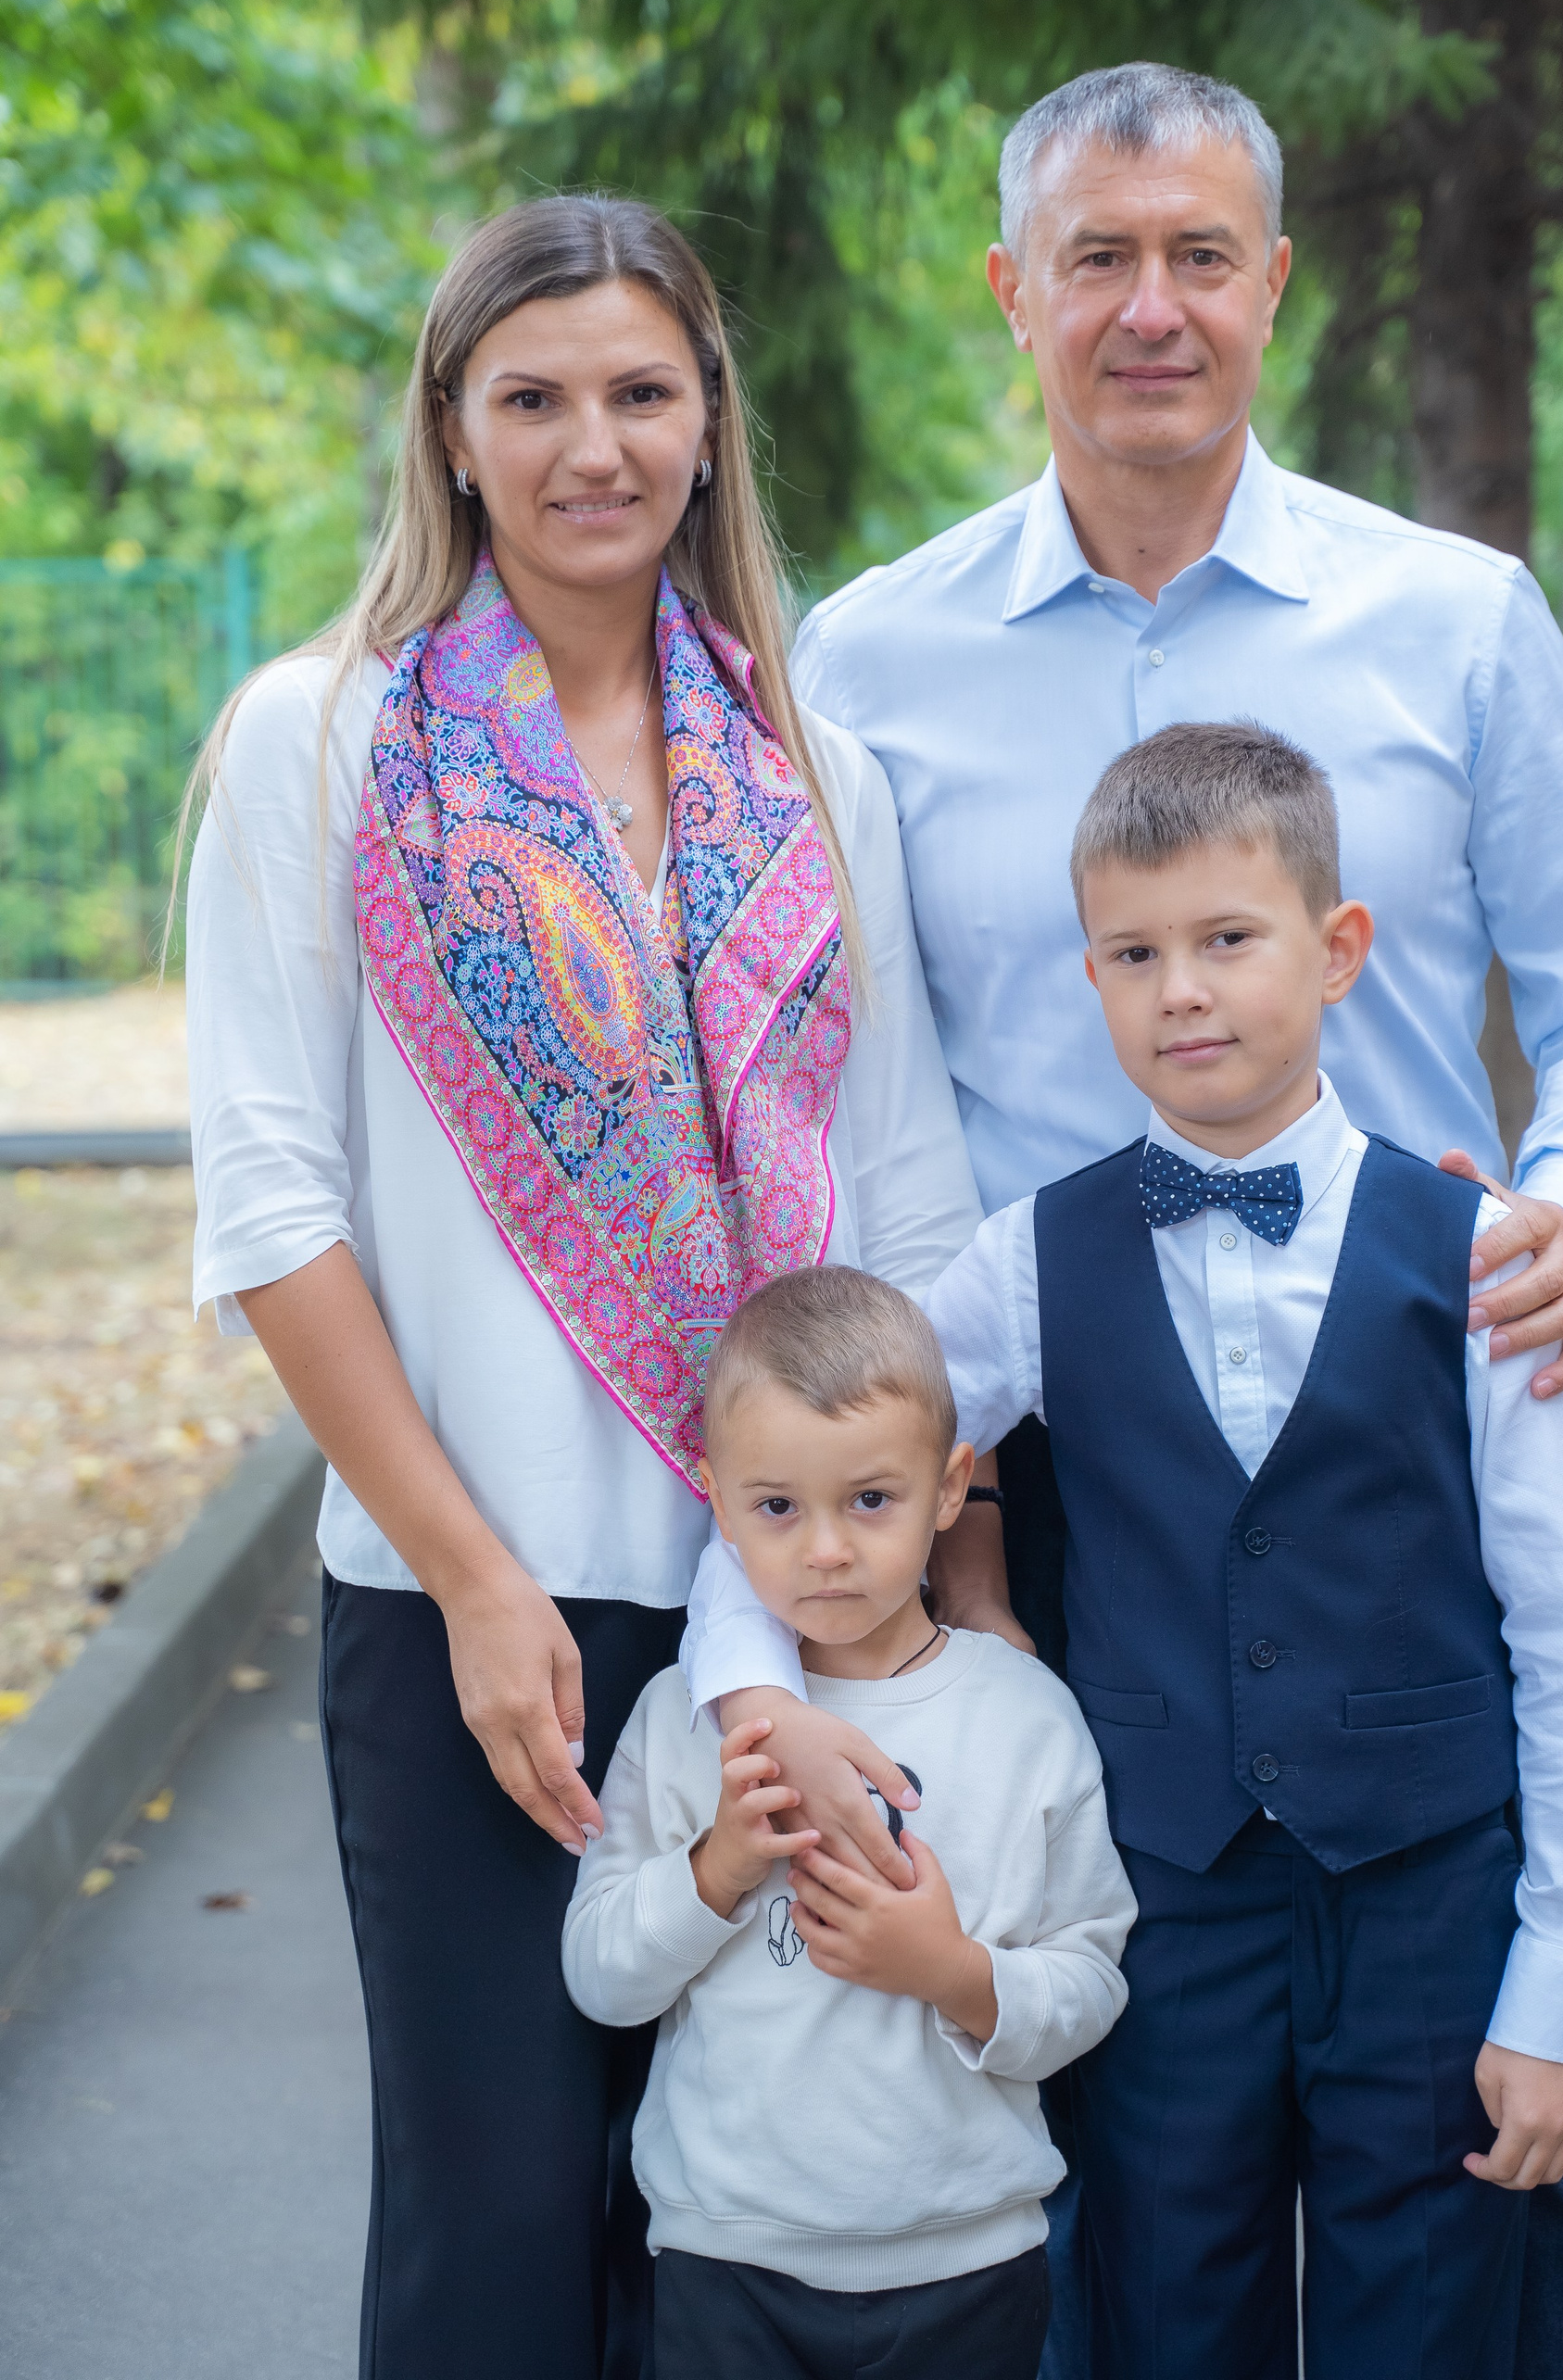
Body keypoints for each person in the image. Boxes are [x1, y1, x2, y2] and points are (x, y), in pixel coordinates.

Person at [682, 65, 1563, 2378]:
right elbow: (812, 1073)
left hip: (1413, 1423)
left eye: (1202, 256)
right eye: (1100, 258)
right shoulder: (868, 660)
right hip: (1046, 1466)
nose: (1152, 306)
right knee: (1133, 2137)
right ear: (1013, 290)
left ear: (1273, 283)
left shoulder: (1452, 617)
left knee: (1510, 2159)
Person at [183, 195, 981, 2379]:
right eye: (532, 398)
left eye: (641, 392)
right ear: (452, 430)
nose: (593, 446)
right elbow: (271, 1200)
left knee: (737, 2219)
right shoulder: (325, 740)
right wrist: (468, 1579)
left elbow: (907, 1198)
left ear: (710, 421)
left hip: (786, 1607)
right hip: (473, 1609)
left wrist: (942, 1590)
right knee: (503, 2210)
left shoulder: (815, 773)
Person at [924, 723, 1563, 2376]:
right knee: (1166, 2319)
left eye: (1228, 939)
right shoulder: (1027, 1260)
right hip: (1165, 1912)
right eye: (1134, 955)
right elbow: (845, 1456)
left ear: (1337, 952)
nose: (1182, 991)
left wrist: (1556, 1998)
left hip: (1430, 1908)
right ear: (1092, 979)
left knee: (1429, 2328)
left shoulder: (1483, 1253)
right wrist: (754, 1666)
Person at [563, 1266, 1134, 2380]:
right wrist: (717, 1868)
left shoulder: (1025, 1716)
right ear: (717, 1499)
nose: (825, 1549)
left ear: (950, 1487)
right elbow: (601, 1980)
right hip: (727, 2257)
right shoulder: (686, 1721)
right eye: (778, 1507)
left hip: (968, 2261)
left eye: (871, 1500)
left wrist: (953, 1973)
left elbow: (1093, 1981)